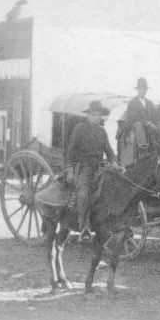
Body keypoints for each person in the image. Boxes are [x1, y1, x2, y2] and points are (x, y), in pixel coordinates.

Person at [65, 100, 120, 241]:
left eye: (99, 115)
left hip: (100, 168)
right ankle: (84, 227)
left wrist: (114, 162)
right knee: (83, 194)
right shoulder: (79, 128)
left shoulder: (102, 131)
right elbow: (70, 151)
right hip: (84, 168)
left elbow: (109, 151)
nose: (97, 118)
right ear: (88, 115)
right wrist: (70, 171)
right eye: (94, 114)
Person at [119, 77, 156, 165]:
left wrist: (154, 123)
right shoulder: (132, 103)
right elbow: (132, 117)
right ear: (138, 90)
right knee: (139, 125)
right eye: (141, 89)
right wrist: (146, 122)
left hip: (148, 128)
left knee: (156, 130)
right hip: (135, 127)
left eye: (144, 89)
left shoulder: (149, 103)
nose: (143, 91)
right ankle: (142, 149)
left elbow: (155, 116)